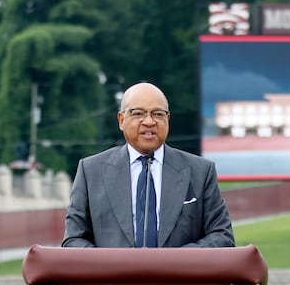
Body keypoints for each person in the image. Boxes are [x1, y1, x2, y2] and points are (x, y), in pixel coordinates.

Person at [62, 82, 234, 248]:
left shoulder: (200, 172)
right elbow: (73, 239)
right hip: (114, 277)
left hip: (178, 276)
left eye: (158, 114)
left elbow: (222, 236)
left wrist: (176, 261)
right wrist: (111, 266)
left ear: (168, 119)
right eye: (138, 114)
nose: (149, 121)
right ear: (121, 120)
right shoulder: (91, 171)